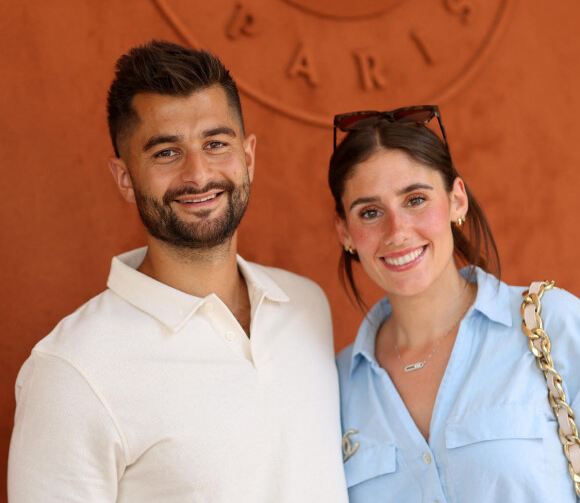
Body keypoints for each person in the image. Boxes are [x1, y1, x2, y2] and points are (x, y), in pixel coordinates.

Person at [8, 40, 348, 502]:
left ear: (248, 157)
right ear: (125, 177)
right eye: (166, 152)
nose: (198, 174)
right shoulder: (70, 371)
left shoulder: (305, 305)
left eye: (216, 144)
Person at [328, 106, 580, 502]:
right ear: (345, 231)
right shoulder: (335, 385)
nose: (397, 232)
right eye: (371, 212)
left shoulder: (552, 324)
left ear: (456, 201)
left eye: (415, 200)